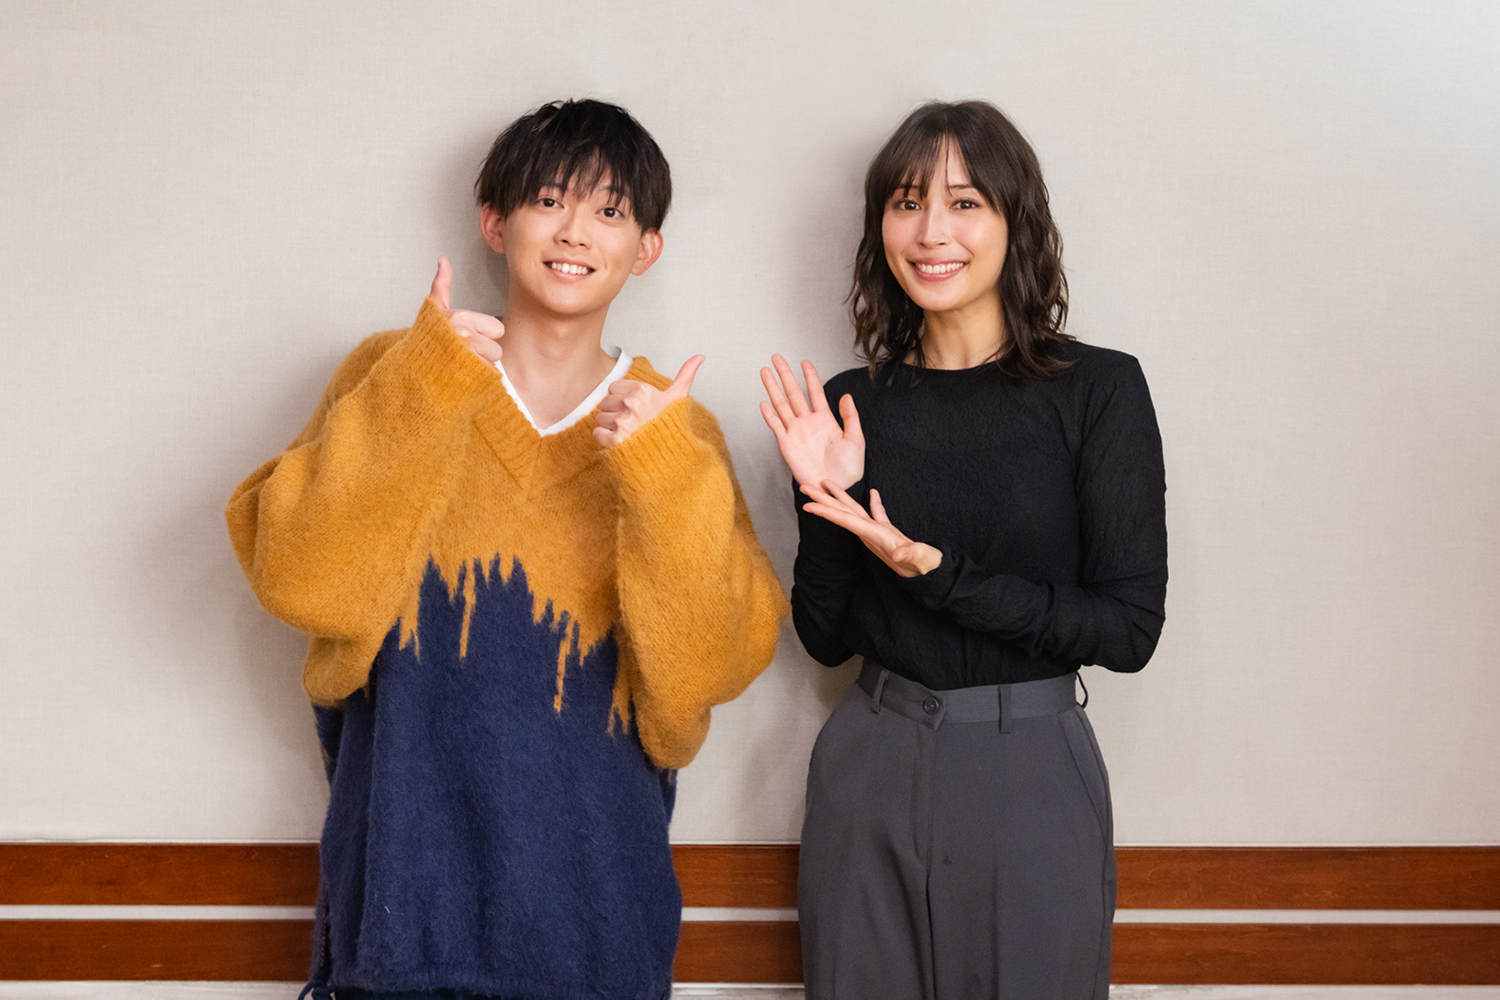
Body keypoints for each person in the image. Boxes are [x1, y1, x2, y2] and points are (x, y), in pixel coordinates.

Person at [227, 99, 787, 1000]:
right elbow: (298, 578)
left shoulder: (675, 432)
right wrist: (421, 388)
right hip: (398, 918)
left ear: (646, 247)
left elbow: (710, 669)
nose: (575, 232)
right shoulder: (400, 372)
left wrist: (664, 477)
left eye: (610, 211)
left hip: (598, 924)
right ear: (496, 222)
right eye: (549, 200)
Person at [760, 100, 1167, 999]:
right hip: (870, 758)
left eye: (965, 202)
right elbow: (825, 637)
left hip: (1029, 767)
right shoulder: (851, 402)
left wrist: (937, 574)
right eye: (906, 203)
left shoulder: (1097, 390)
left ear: (1016, 220)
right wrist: (828, 499)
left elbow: (1129, 630)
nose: (931, 232)